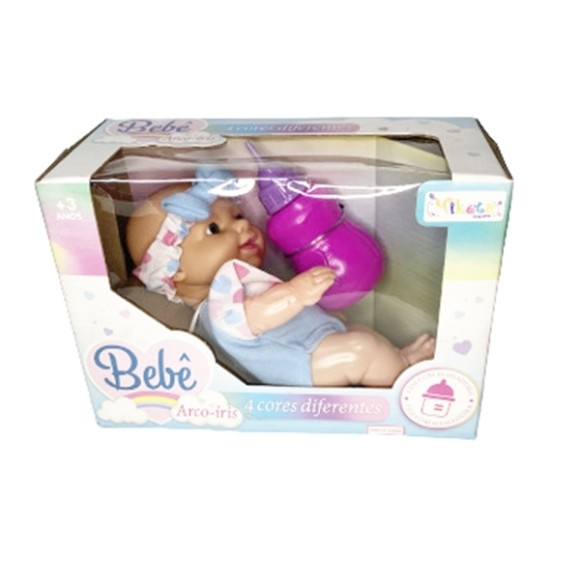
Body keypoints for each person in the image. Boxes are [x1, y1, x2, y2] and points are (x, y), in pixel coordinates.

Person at [126, 166, 434, 387]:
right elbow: (257, 314)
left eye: (238, 216)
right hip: (301, 363)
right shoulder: (216, 306)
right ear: (174, 269)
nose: (242, 226)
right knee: (359, 351)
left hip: (311, 340)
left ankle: (396, 359)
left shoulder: (236, 281)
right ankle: (398, 376)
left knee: (360, 333)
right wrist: (296, 294)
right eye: (214, 229)